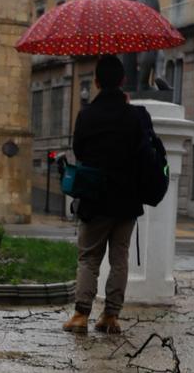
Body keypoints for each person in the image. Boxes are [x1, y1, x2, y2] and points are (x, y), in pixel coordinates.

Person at [63, 54, 150, 335]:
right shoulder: (133, 116)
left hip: (95, 197)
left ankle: (80, 315)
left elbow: (80, 151)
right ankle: (111, 316)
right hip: (126, 200)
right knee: (119, 259)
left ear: (97, 82)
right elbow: (142, 153)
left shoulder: (86, 115)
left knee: (89, 258)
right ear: (123, 81)